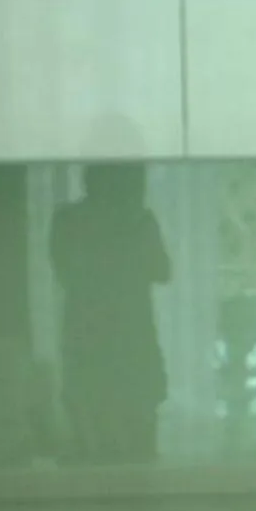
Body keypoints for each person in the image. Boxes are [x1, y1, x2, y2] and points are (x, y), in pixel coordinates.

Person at [49, 164, 171, 463]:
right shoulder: (138, 220)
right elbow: (162, 270)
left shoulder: (67, 220)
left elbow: (64, 273)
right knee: (133, 417)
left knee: (91, 411)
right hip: (128, 330)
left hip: (89, 328)